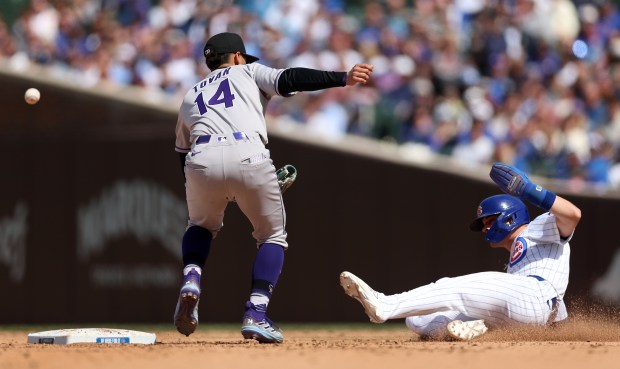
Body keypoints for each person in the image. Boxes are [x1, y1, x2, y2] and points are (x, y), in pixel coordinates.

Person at [174, 32, 373, 343]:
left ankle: (191, 277)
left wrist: (204, 189)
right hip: (249, 152)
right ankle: (255, 312)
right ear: (238, 56)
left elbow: (182, 157)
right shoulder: (248, 71)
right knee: (272, 236)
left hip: (200, 159)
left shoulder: (189, 96)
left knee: (200, 225)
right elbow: (289, 78)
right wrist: (342, 77)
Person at [340, 162, 582, 341]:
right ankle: (472, 332)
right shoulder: (516, 266)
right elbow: (553, 307)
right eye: (483, 224)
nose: (485, 228)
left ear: (509, 218)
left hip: (536, 298)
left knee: (452, 287)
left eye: (489, 221)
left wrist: (529, 190)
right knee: (417, 319)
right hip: (533, 315)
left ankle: (383, 305)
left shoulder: (538, 227)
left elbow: (573, 214)